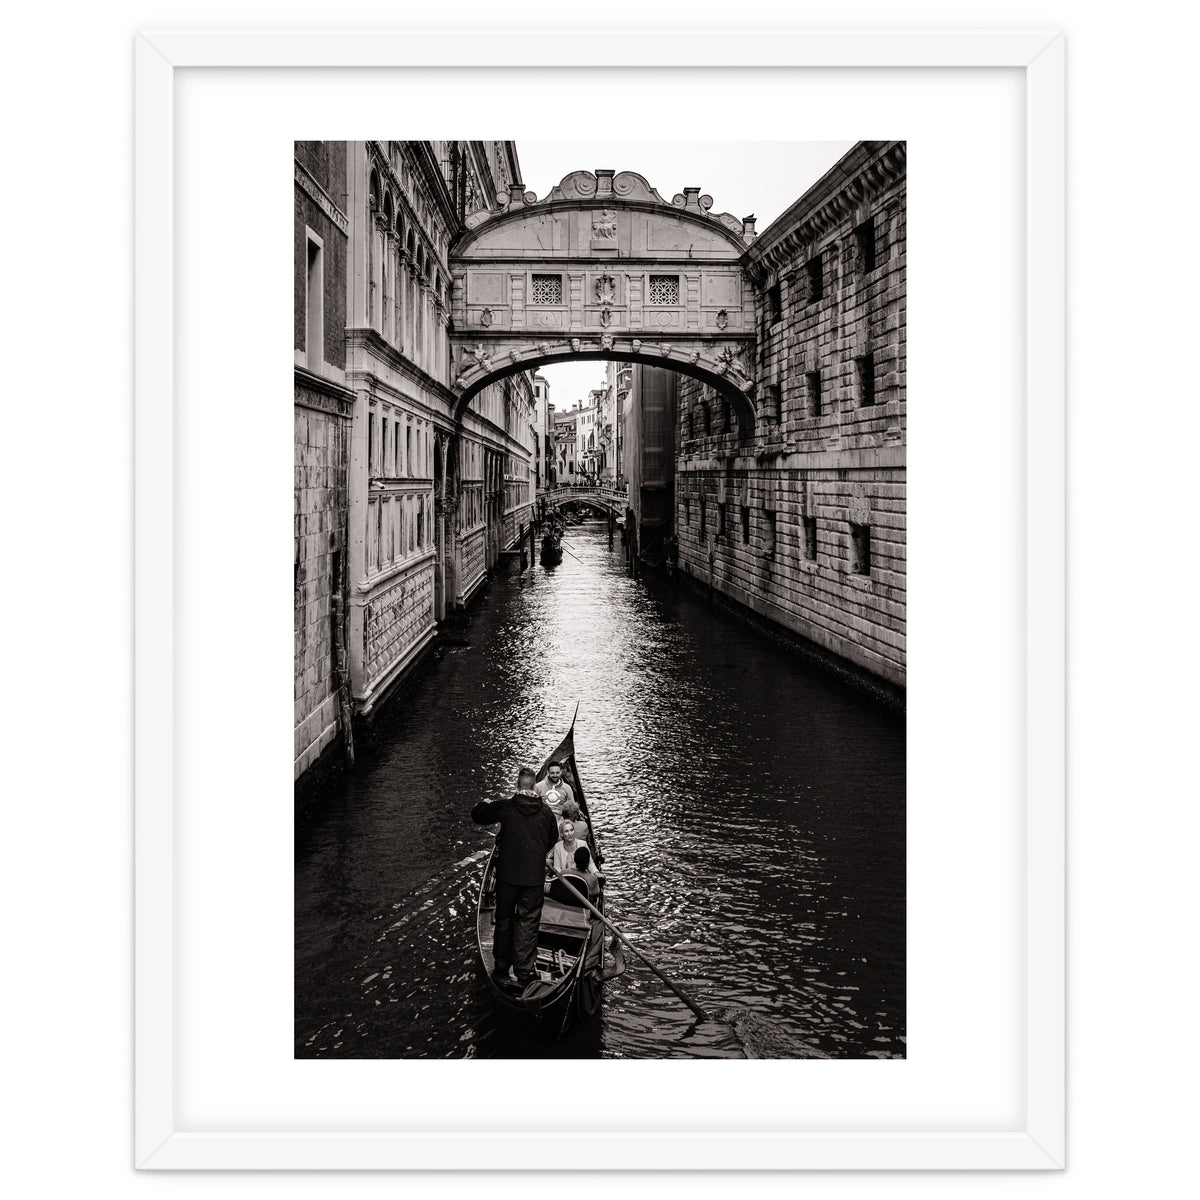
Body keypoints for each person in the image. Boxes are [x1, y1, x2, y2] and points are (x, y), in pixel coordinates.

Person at [471, 767, 559, 986]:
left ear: (518, 786)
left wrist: (484, 802)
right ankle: (525, 972)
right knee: (528, 923)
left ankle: (501, 968)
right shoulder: (547, 812)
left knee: (504, 920)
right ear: (535, 787)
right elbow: (552, 841)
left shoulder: (506, 807)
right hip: (533, 880)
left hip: (507, 878)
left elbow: (478, 815)